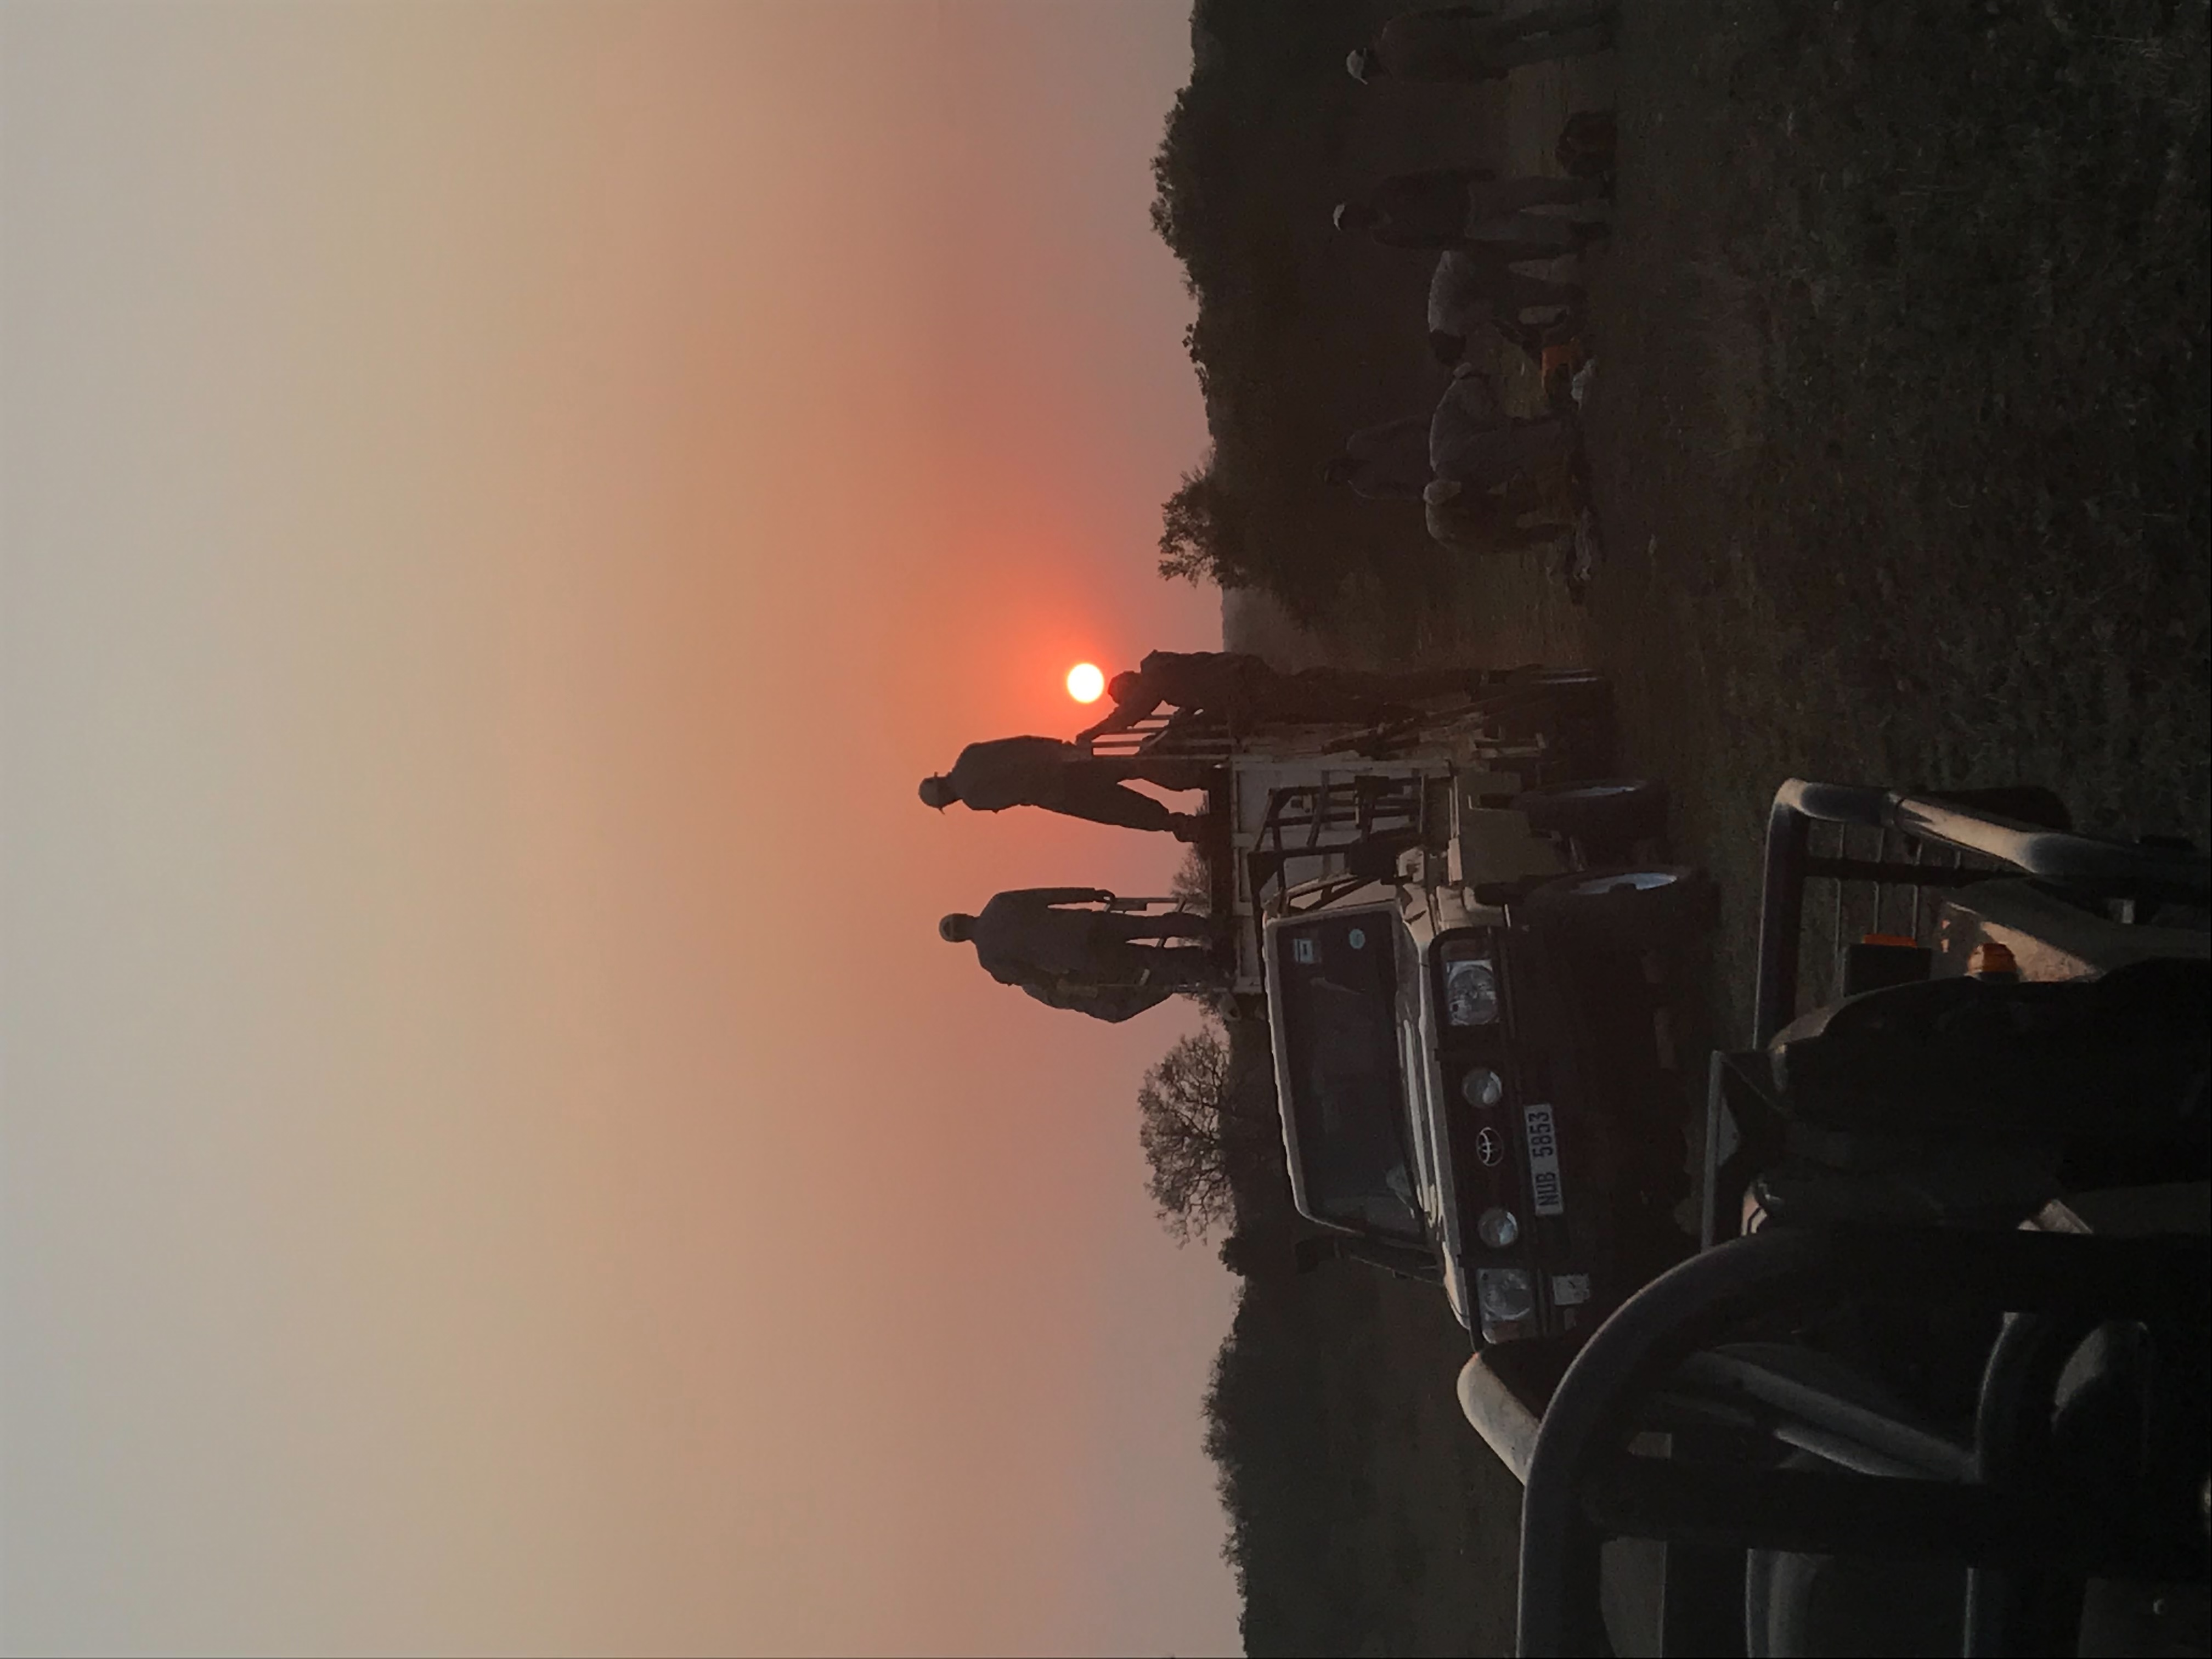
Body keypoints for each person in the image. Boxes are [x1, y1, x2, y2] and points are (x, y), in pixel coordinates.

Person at [940, 889, 1222, 1021]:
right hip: (1088, 925)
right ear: (964, 915)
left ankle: (1211, 966)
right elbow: (1050, 895)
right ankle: (1213, 929)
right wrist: (1090, 893)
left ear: (960, 940)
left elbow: (1037, 977)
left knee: (1150, 961)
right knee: (1150, 925)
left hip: (1084, 959)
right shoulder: (999, 903)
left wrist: (1069, 982)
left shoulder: (990, 962)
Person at [1075, 650, 1406, 742]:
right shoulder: (1165, 670)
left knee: (1328, 708)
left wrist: (1092, 733)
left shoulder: (1155, 679)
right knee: (1320, 699)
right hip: (1245, 679)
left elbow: (1129, 715)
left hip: (1247, 688)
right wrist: (1185, 715)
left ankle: (1396, 716)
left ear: (1132, 685)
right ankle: (1389, 708)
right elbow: (1197, 686)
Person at [919, 736, 1209, 838]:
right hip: (1063, 763)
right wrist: (1058, 748)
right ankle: (1197, 774)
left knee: (1129, 812)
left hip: (1060, 794)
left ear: (946, 798)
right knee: (1133, 766)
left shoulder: (974, 800)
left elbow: (1014, 796)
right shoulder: (969, 754)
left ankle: (1186, 826)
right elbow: (1020, 742)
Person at [1334, 168, 1607, 257]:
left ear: (1357, 205)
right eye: (1351, 224)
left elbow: (1431, 178)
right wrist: (1464, 244)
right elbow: (1426, 243)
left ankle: (1591, 189)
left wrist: (1470, 174)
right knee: (1528, 230)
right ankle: (1582, 232)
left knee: (1534, 190)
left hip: (1470, 196)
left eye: (1352, 215)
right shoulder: (1384, 237)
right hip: (1468, 227)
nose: (1357, 220)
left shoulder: (1386, 190)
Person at [1347, 3, 1616, 84]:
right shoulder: (1394, 27)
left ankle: (1596, 38)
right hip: (1473, 28)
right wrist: (1472, 13)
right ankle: (1591, 12)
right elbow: (1440, 14)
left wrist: (1485, 74)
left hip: (1479, 57)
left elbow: (1450, 74)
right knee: (1536, 20)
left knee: (1540, 50)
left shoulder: (1402, 74)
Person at [1430, 361, 1576, 493]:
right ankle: (1563, 434)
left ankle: (1561, 455)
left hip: (1448, 464)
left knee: (1506, 465)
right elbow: (1490, 416)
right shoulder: (1468, 385)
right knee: (1514, 444)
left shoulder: (1452, 398)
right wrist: (1521, 423)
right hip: (1457, 454)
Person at [1427, 249, 1581, 366]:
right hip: (1459, 264)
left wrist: (1520, 334)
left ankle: (1570, 294)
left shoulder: (1454, 325)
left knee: (1515, 292)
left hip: (1467, 264)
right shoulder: (1439, 326)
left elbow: (1491, 308)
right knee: (1510, 298)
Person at [1321, 414, 1431, 500]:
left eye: (1336, 471)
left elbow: (1391, 429)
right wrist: (1426, 493)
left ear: (1337, 463)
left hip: (1420, 443)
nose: (1340, 475)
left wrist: (1420, 421)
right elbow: (1398, 492)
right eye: (1337, 479)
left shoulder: (1357, 442)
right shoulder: (1363, 487)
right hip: (1422, 472)